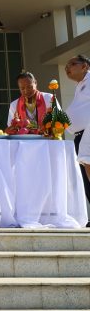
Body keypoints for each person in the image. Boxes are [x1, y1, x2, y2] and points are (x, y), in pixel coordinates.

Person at [65, 55, 90, 223]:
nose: (68, 68)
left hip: (88, 134)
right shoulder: (80, 85)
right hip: (79, 136)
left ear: (85, 66)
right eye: (66, 65)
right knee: (86, 180)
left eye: (72, 64)